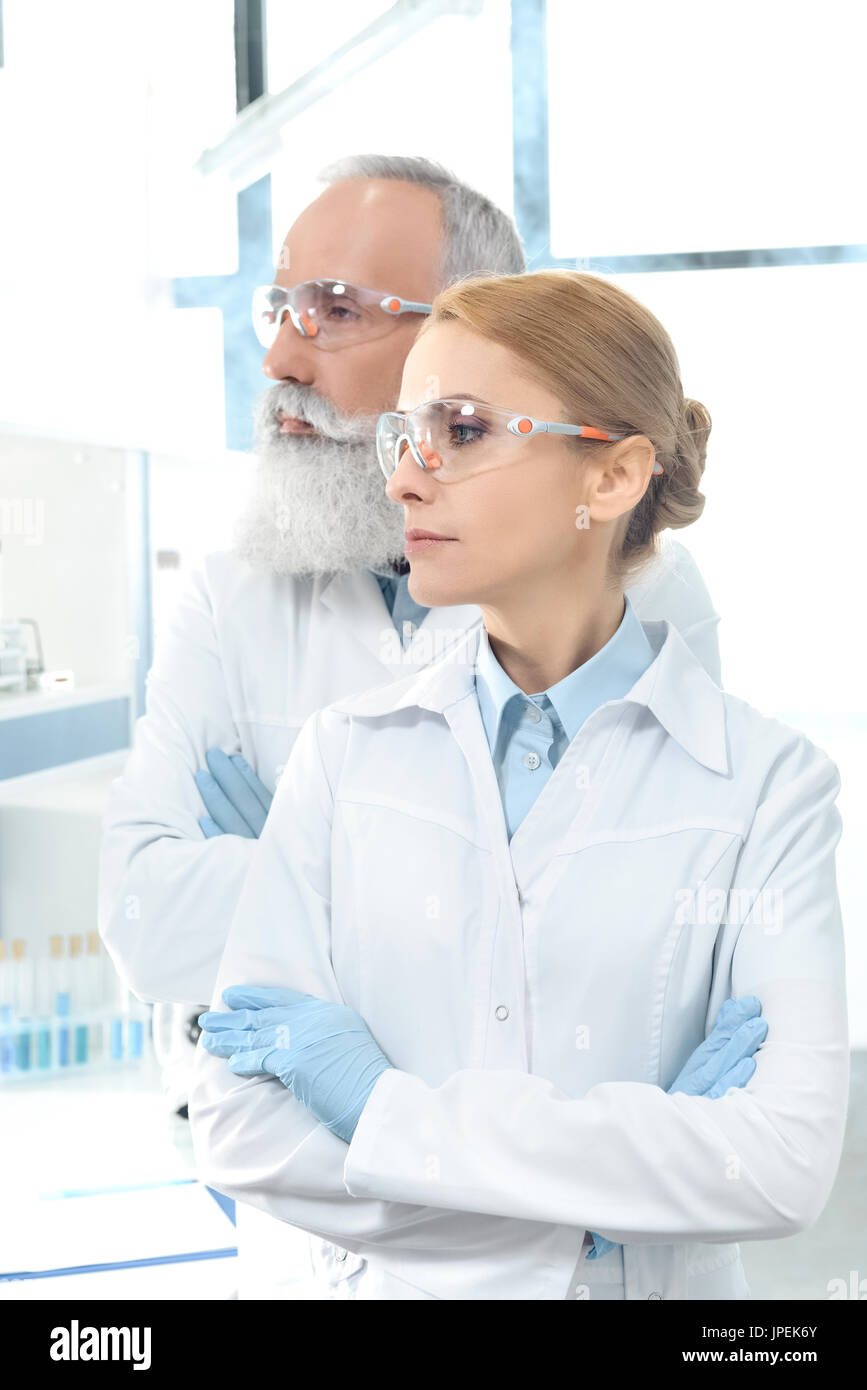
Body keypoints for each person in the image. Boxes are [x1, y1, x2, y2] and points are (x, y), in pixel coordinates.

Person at [98, 156, 723, 1299]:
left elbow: (619, 977)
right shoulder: (232, 587)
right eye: (280, 305)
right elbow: (142, 913)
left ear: (470, 347)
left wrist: (300, 866)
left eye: (335, 310)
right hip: (303, 1251)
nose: (282, 358)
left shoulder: (634, 590)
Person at [190, 269, 848, 1301]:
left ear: (614, 476)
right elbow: (240, 1131)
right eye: (403, 435)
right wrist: (600, 1214)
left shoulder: (769, 788)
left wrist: (376, 1110)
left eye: (460, 430)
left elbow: (778, 1164)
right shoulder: (344, 755)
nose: (405, 478)